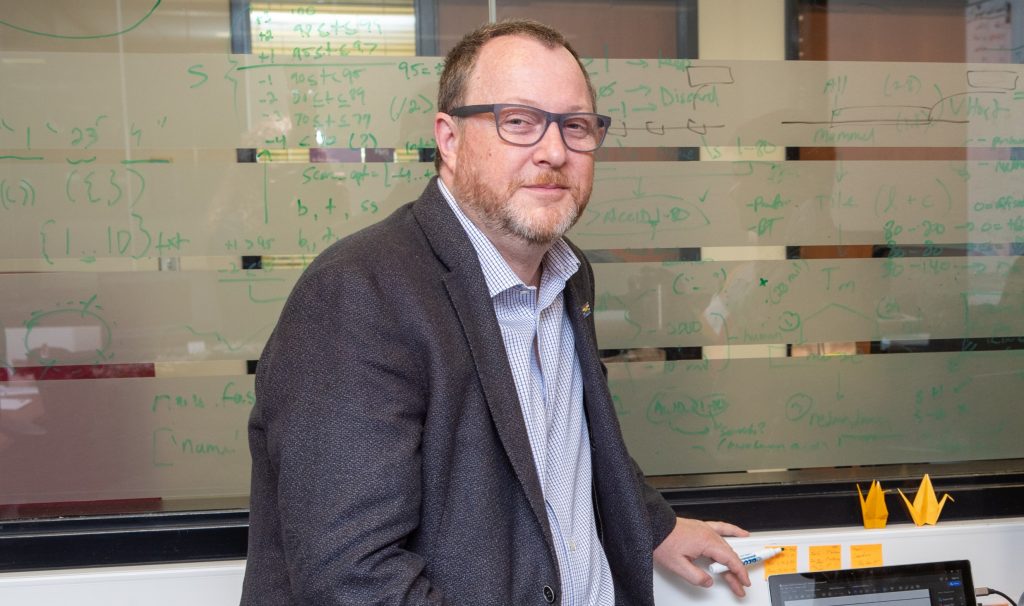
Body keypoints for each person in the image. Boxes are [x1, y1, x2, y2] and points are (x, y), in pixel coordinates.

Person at [242, 18, 752, 606]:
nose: (555, 151)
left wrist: (654, 526)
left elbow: (556, 446)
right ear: (449, 139)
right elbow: (353, 579)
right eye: (518, 122)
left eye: (576, 126)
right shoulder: (358, 295)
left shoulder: (568, 274)